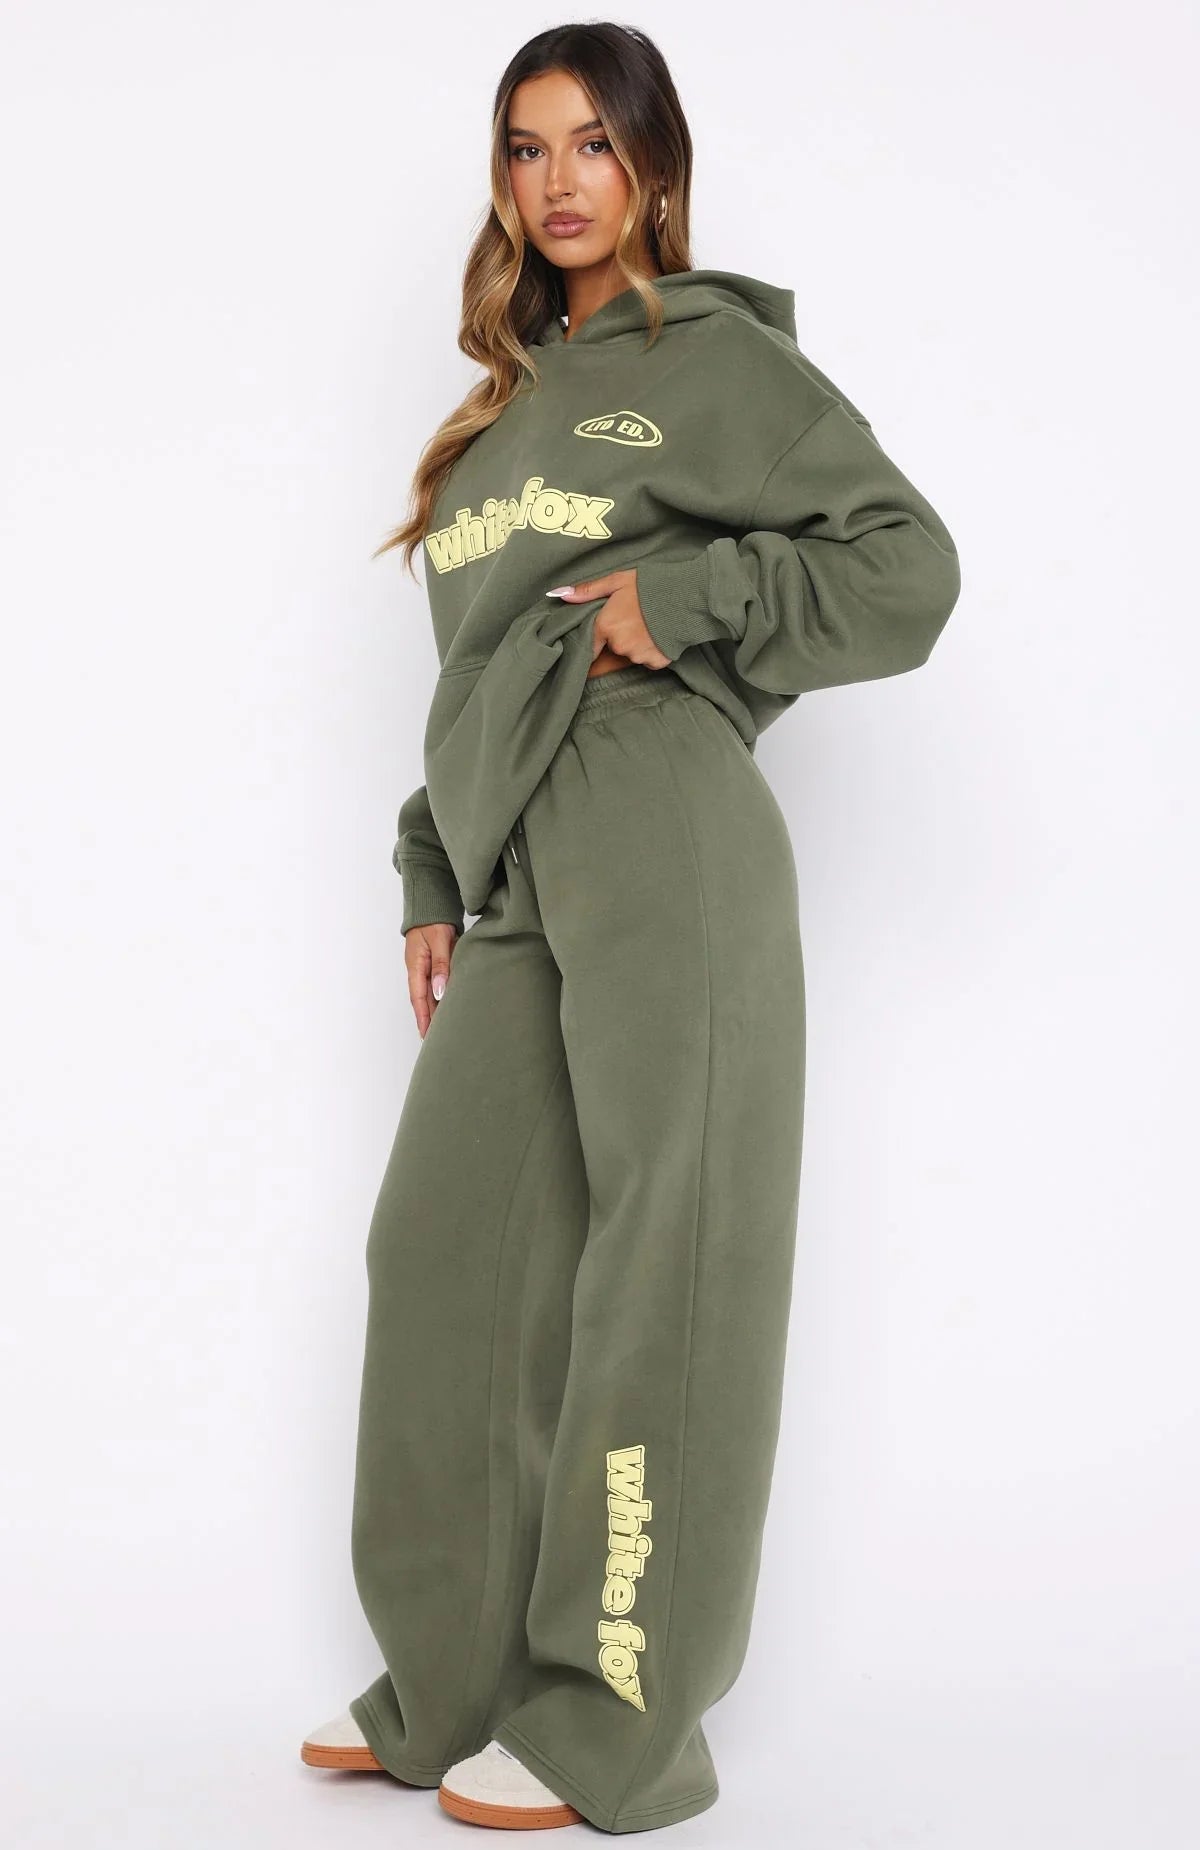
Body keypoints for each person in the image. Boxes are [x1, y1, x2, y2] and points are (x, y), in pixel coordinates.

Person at [300, 19, 961, 1837]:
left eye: (593, 142)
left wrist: (686, 596)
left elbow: (908, 567)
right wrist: (431, 867)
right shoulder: (504, 418)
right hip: (520, 856)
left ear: (656, 166)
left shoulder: (718, 361)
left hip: (662, 811)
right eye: (527, 149)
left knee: (668, 1252)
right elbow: (476, 672)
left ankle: (616, 1717)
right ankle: (450, 1681)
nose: (559, 180)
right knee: (444, 1248)